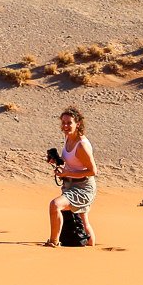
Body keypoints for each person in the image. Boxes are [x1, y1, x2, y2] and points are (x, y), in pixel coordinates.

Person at [46, 106, 98, 247]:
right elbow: (71, 161)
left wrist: (66, 173)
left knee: (55, 205)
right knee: (83, 221)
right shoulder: (68, 137)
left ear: (78, 124)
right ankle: (91, 249)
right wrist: (57, 160)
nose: (66, 126)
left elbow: (93, 171)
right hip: (70, 184)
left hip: (83, 187)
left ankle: (53, 242)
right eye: (63, 123)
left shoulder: (82, 145)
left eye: (69, 123)